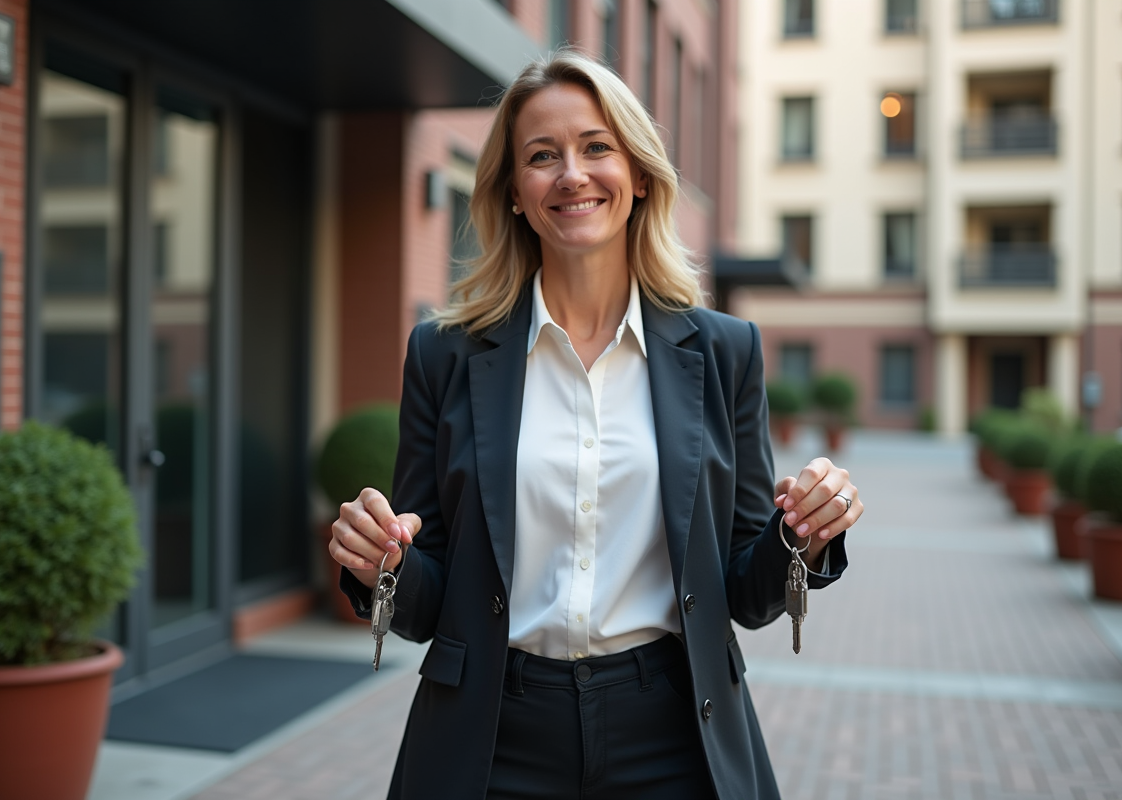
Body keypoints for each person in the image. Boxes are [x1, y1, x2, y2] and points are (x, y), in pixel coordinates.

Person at [330, 49, 863, 800]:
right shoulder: (443, 355)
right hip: (491, 735)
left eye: (596, 147)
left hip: (672, 730)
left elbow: (744, 592)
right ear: (515, 192)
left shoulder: (724, 353)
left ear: (639, 175)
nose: (571, 174)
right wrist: (381, 561)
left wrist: (802, 534)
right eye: (542, 156)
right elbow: (430, 590)